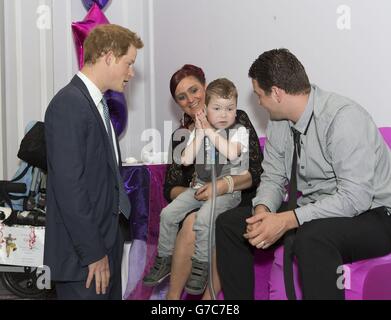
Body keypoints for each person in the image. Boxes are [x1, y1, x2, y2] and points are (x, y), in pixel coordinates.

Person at [216, 48, 391, 300]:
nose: (258, 102)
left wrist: (288, 219)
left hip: (375, 214)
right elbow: (274, 176)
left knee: (312, 238)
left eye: (258, 95)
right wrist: (262, 212)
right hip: (316, 207)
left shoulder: (343, 119)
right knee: (230, 224)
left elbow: (356, 198)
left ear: (276, 93)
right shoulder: (279, 121)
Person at [144, 64, 263, 299]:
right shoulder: (182, 135)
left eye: (194, 90)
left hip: (237, 194)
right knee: (188, 217)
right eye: (182, 96)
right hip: (198, 195)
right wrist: (197, 194)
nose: (190, 99)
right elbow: (171, 187)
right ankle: (173, 296)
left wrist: (220, 187)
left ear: (206, 88)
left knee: (200, 220)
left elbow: (255, 171)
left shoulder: (235, 118)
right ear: (177, 103)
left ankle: (205, 297)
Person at [44, 24, 143, 300]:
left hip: (103, 247)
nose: (131, 73)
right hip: (84, 259)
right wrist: (94, 252)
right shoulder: (69, 104)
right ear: (109, 56)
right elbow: (69, 188)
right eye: (129, 63)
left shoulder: (93, 103)